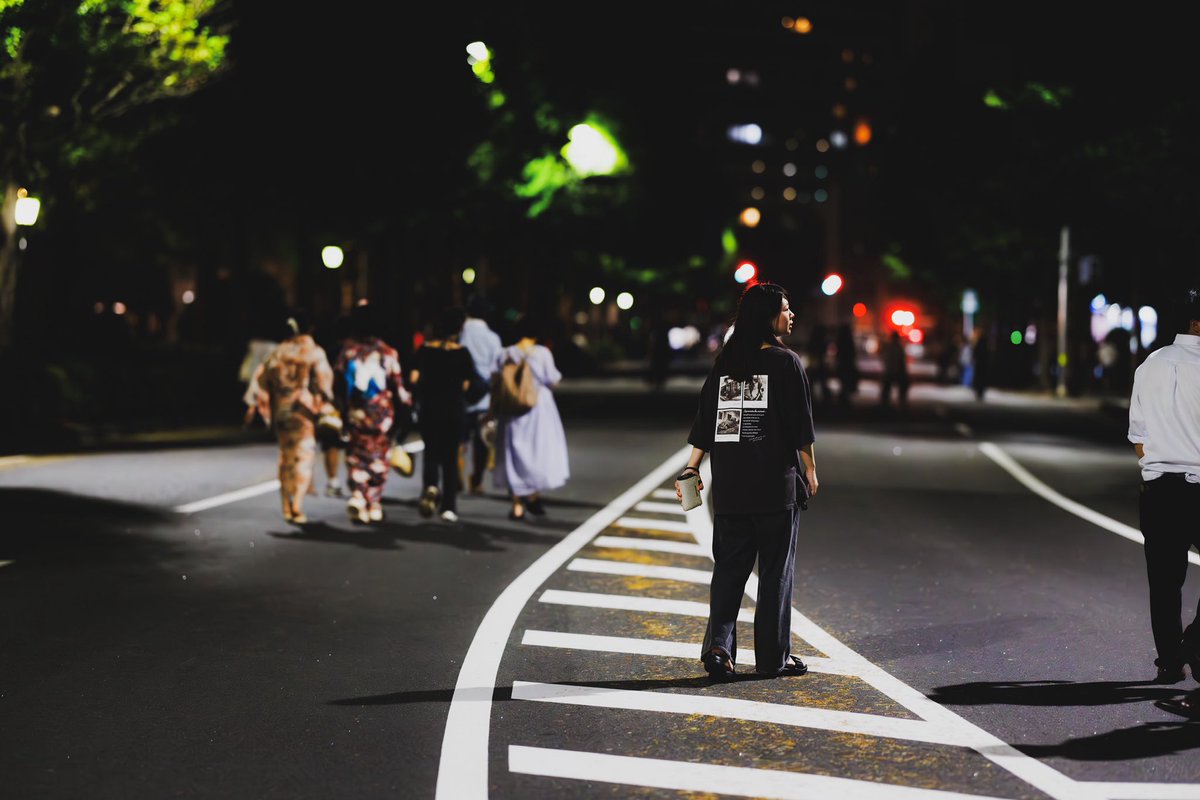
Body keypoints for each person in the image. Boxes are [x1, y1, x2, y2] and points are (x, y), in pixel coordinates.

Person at [673, 281, 818, 682]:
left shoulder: (728, 361)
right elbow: (799, 425)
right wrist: (810, 468)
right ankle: (773, 657)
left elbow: (707, 420)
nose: (792, 315)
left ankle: (719, 649)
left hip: (732, 487)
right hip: (775, 486)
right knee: (775, 574)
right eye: (786, 309)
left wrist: (691, 467)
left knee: (729, 572)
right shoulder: (786, 363)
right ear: (770, 317)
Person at [1127, 290, 1200, 716]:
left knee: (1164, 581)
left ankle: (1170, 663)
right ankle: (1193, 643)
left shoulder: (1150, 365)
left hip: (1160, 489)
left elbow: (1138, 436)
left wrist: (1158, 466)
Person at [253, 310, 336, 524]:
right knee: (304, 456)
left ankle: (285, 506)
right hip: (303, 411)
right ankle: (297, 504)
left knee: (286, 457)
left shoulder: (277, 352)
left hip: (281, 410)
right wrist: (326, 402)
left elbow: (262, 381)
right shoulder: (314, 351)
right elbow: (325, 382)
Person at [333, 304, 409, 524]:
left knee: (357, 455)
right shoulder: (388, 352)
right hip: (382, 414)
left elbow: (338, 384)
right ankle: (374, 502)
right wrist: (406, 407)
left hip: (356, 412)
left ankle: (358, 494)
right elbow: (399, 389)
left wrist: (342, 409)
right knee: (379, 456)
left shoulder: (348, 352)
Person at [491, 314, 570, 521]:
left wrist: (491, 411)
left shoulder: (505, 353)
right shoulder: (542, 353)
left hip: (511, 410)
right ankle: (533, 494)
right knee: (537, 452)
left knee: (513, 453)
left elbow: (495, 380)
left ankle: (517, 504)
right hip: (538, 408)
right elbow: (552, 379)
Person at [409, 306, 476, 523]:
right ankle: (449, 506)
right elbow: (467, 385)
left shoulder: (425, 351)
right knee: (450, 458)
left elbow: (413, 378)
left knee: (431, 453)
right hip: (454, 410)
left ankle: (430, 486)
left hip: (430, 409)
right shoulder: (462, 353)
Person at [458, 294, 503, 495]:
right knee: (482, 441)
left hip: (460, 394)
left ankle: (457, 476)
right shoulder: (493, 338)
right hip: (484, 397)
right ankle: (476, 480)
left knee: (459, 440)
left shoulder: (460, 333)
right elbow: (497, 370)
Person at [238, 332, 278, 427]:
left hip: (261, 372)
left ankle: (255, 422)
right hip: (260, 372)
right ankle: (253, 422)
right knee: (256, 400)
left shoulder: (264, 346)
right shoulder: (266, 346)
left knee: (257, 401)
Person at [879, 330, 910, 408]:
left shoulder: (891, 347)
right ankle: (898, 403)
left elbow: (885, 359)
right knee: (889, 388)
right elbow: (901, 361)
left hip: (891, 372)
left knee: (887, 388)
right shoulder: (897, 348)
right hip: (893, 372)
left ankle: (886, 404)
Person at [833, 323, 859, 408]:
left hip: (842, 365)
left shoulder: (840, 340)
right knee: (846, 385)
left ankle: (843, 401)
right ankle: (844, 401)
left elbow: (838, 354)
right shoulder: (849, 340)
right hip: (848, 365)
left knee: (844, 384)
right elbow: (852, 354)